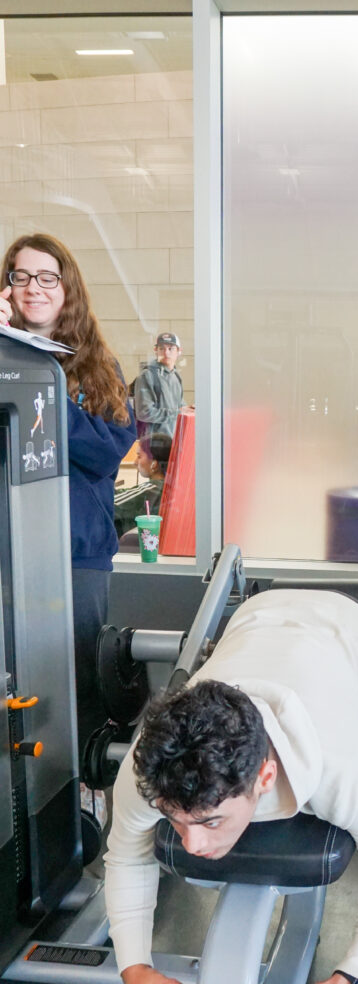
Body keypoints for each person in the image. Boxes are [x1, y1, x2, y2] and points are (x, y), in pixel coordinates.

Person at [104, 588, 358, 984]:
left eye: (210, 822)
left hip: (349, 625)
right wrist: (133, 966)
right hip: (255, 616)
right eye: (176, 820)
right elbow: (126, 857)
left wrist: (348, 983)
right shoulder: (147, 767)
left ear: (265, 775)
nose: (192, 846)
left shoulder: (345, 770)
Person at [0, 235, 136, 797]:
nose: (34, 287)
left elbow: (108, 450)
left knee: (77, 677)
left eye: (47, 277)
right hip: (11, 554)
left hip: (77, 554)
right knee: (16, 684)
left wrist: (42, 391)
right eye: (20, 276)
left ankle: (81, 796)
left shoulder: (96, 369)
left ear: (67, 289)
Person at [113, 432, 172, 539]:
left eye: (139, 456)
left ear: (154, 464)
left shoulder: (152, 489)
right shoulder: (166, 487)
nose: (135, 462)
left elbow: (110, 503)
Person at [133, 331, 184, 439]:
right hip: (153, 444)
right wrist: (177, 413)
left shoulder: (176, 376)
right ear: (156, 350)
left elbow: (179, 406)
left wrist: (188, 409)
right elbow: (144, 412)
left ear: (179, 351)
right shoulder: (147, 375)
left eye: (171, 348)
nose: (166, 353)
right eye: (162, 348)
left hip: (173, 441)